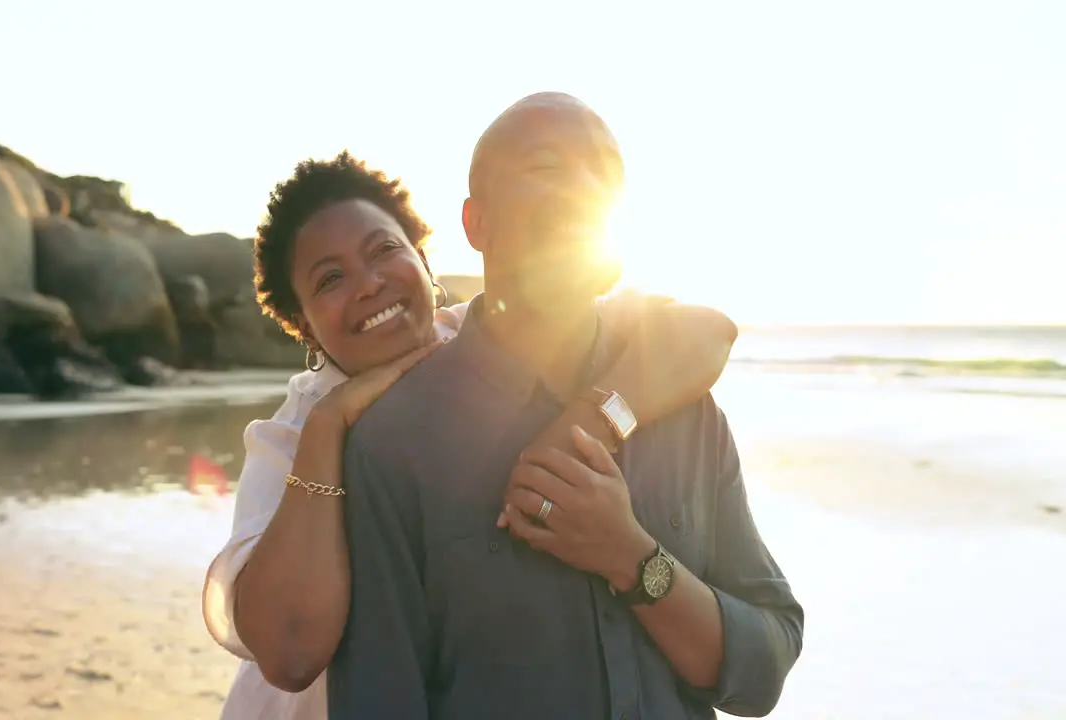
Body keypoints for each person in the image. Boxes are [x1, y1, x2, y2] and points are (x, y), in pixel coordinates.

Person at [202, 152, 740, 719]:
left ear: (423, 259)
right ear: (304, 323)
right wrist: (330, 428)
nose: (370, 283)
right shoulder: (289, 435)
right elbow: (289, 654)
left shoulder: (483, 337)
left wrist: (584, 426)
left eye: (384, 250)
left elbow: (702, 332)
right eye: (331, 278)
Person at [325, 93, 804, 719]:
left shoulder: (684, 408)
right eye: (548, 168)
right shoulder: (396, 442)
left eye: (603, 172)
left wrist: (633, 558)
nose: (584, 188)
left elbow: (763, 670)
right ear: (477, 224)